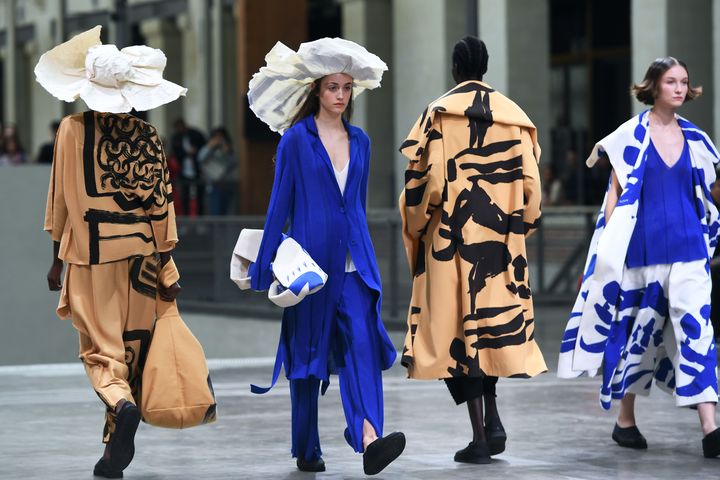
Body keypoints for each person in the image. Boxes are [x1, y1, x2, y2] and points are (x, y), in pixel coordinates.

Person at [247, 37, 405, 475]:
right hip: (310, 266)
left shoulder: (363, 141)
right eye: (333, 87)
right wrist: (264, 265)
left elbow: (353, 203)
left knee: (361, 345)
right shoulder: (296, 140)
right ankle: (307, 447)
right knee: (307, 354)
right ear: (316, 90)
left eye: (347, 87)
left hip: (354, 261)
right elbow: (280, 201)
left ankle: (370, 437)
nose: (340, 95)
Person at [38, 26, 187, 477]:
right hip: (143, 257)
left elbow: (61, 199)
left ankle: (121, 410)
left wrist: (56, 259)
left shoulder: (71, 129)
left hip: (91, 254)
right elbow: (162, 206)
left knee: (102, 355)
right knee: (129, 354)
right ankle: (111, 456)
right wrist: (167, 265)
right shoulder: (149, 136)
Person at [558, 57, 720, 458]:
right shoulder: (628, 137)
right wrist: (612, 250)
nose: (680, 88)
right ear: (654, 86)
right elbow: (614, 196)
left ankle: (710, 427)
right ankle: (625, 419)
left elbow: (712, 194)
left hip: (688, 253)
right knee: (638, 338)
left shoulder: (698, 141)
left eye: (684, 81)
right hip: (641, 254)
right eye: (671, 82)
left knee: (697, 332)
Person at [398, 36, 546, 464]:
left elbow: (425, 185)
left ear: (454, 68)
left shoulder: (438, 114)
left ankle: (480, 435)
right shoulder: (515, 118)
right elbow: (532, 190)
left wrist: (417, 230)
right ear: (485, 66)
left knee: (455, 336)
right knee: (489, 330)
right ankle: (494, 419)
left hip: (450, 240)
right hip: (500, 244)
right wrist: (520, 229)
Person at [197, 126, 237, 215]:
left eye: (221, 137)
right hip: (213, 185)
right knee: (214, 211)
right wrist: (210, 147)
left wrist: (227, 152)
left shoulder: (228, 150)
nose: (219, 140)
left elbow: (234, 163)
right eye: (216, 137)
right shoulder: (208, 148)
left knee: (228, 212)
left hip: (227, 185)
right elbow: (200, 158)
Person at [171, 118, 206, 216]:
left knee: (200, 197)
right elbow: (176, 153)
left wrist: (195, 151)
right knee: (185, 197)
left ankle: (200, 218)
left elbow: (203, 146)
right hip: (184, 171)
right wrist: (186, 153)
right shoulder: (176, 138)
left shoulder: (195, 134)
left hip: (197, 170)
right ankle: (186, 218)